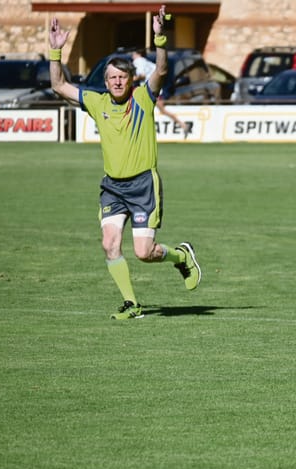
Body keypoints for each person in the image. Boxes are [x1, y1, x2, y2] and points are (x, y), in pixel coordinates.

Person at [48, 5, 201, 320]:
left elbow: (160, 71)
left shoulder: (143, 99)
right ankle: (133, 304)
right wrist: (55, 52)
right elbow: (59, 86)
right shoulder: (96, 101)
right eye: (112, 78)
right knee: (109, 243)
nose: (117, 82)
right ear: (105, 81)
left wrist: (160, 41)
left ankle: (180, 256)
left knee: (145, 253)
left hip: (143, 184)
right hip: (112, 188)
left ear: (131, 79)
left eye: (122, 77)